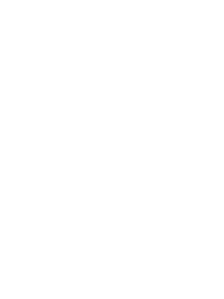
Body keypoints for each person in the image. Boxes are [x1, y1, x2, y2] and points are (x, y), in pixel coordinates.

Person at [16, 31, 209, 298]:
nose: (100, 159)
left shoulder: (145, 205)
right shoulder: (20, 178)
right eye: (81, 133)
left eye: (122, 140)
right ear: (48, 130)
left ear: (145, 147)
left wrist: (171, 262)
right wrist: (35, 90)